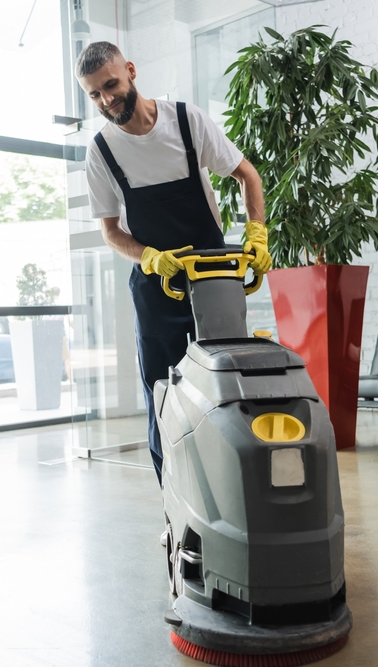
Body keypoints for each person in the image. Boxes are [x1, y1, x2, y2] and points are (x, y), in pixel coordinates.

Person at [76, 42, 271, 485]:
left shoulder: (186, 120)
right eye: (94, 94)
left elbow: (248, 175)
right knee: (161, 390)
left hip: (214, 276)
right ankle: (174, 498)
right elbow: (111, 232)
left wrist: (256, 232)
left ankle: (233, 486)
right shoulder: (102, 151)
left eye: (111, 85)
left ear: (130, 70)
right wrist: (150, 257)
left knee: (224, 379)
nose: (107, 100)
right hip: (155, 284)